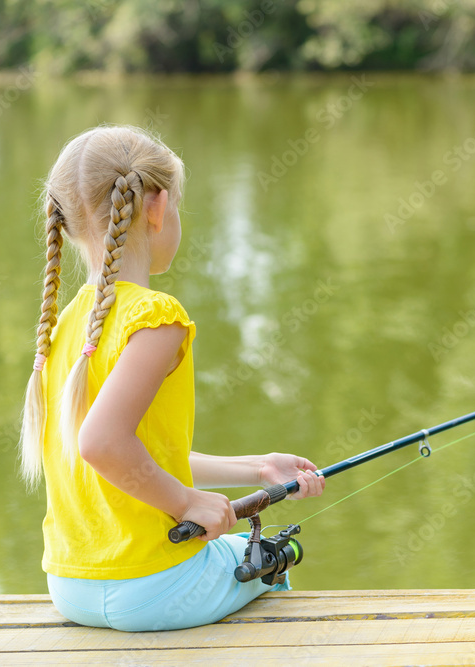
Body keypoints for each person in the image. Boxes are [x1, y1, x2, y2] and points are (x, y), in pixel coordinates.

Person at [18, 125, 324, 632]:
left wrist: (258, 467)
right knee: (271, 565)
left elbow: (135, 459)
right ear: (157, 208)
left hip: (70, 587)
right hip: (154, 586)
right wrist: (184, 502)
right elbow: (101, 442)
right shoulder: (157, 318)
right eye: (178, 206)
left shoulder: (64, 323)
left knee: (236, 554)